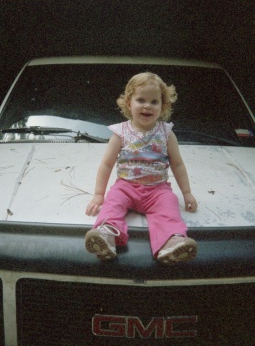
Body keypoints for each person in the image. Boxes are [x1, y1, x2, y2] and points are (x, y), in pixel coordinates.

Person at [85, 72, 198, 265]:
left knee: (169, 206)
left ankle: (172, 242)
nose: (147, 105)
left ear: (163, 106)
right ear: (129, 103)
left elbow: (177, 164)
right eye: (141, 100)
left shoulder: (166, 133)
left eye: (154, 101)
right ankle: (106, 235)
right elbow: (106, 164)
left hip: (157, 189)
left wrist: (187, 193)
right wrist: (98, 194)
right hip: (126, 186)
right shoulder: (120, 133)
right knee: (113, 203)